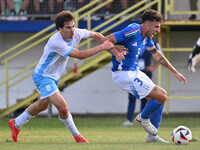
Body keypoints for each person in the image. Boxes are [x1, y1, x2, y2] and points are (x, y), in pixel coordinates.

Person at [8, 10, 127, 143]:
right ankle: (77, 136)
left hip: (54, 77)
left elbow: (97, 35)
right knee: (63, 108)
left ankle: (16, 123)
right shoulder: (56, 42)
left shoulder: (77, 32)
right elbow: (80, 55)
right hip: (43, 76)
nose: (72, 30)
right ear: (60, 29)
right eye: (68, 27)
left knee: (42, 105)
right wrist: (102, 48)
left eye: (73, 26)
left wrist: (115, 52)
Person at [105, 9, 187, 143]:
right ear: (147, 25)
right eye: (156, 27)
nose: (158, 30)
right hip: (123, 74)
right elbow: (106, 40)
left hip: (135, 71)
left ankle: (152, 137)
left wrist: (175, 71)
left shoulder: (147, 38)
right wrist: (115, 52)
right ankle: (143, 118)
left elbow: (157, 54)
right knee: (162, 94)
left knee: (159, 100)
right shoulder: (132, 30)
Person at [122, 41, 161, 127]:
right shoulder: (133, 40)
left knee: (145, 97)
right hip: (133, 73)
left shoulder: (153, 42)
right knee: (132, 97)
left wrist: (153, 67)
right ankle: (129, 120)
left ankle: (143, 119)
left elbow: (161, 56)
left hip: (145, 74)